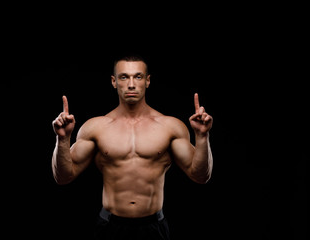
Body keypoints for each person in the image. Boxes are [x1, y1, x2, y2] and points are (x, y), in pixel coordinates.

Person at [51, 54, 213, 240]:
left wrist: (202, 136)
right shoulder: (96, 127)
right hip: (109, 227)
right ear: (114, 81)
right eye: (123, 77)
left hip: (154, 228)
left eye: (138, 76)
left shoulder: (170, 127)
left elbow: (201, 176)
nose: (131, 84)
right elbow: (63, 177)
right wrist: (62, 139)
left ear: (147, 81)